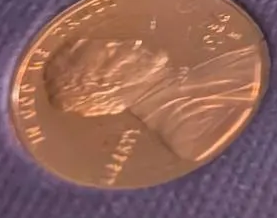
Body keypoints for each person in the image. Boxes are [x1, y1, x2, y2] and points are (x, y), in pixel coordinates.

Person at [45, 37, 262, 162]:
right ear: (105, 85)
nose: (134, 41)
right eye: (114, 52)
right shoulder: (190, 137)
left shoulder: (211, 70)